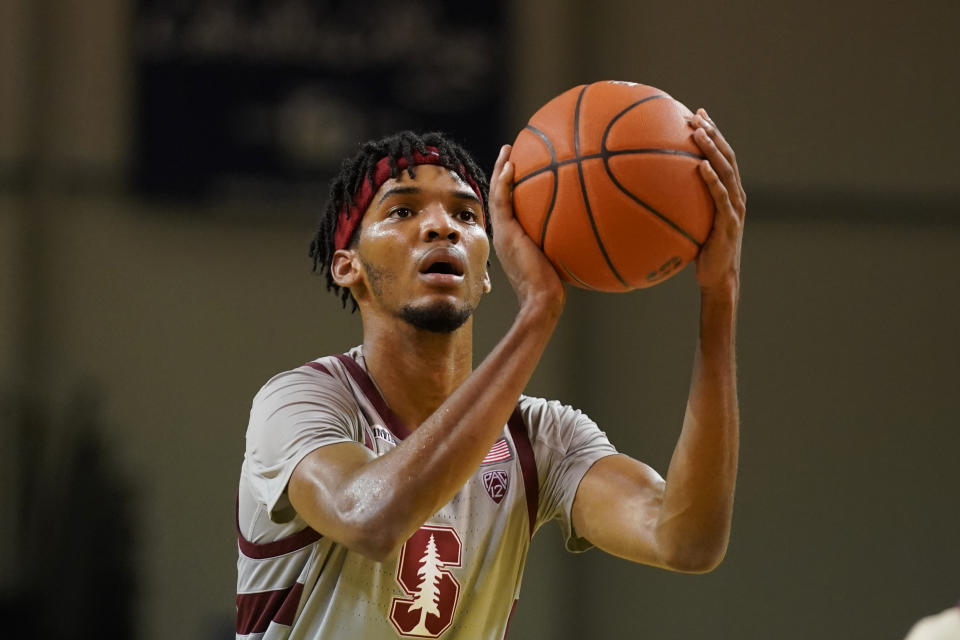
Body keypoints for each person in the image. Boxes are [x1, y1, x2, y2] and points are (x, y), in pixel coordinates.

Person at [236, 109, 746, 639]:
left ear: (485, 272)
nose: (441, 226)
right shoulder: (301, 401)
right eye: (403, 211)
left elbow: (686, 541)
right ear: (348, 266)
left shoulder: (544, 438)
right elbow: (371, 518)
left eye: (467, 215)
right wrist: (539, 313)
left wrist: (719, 296)